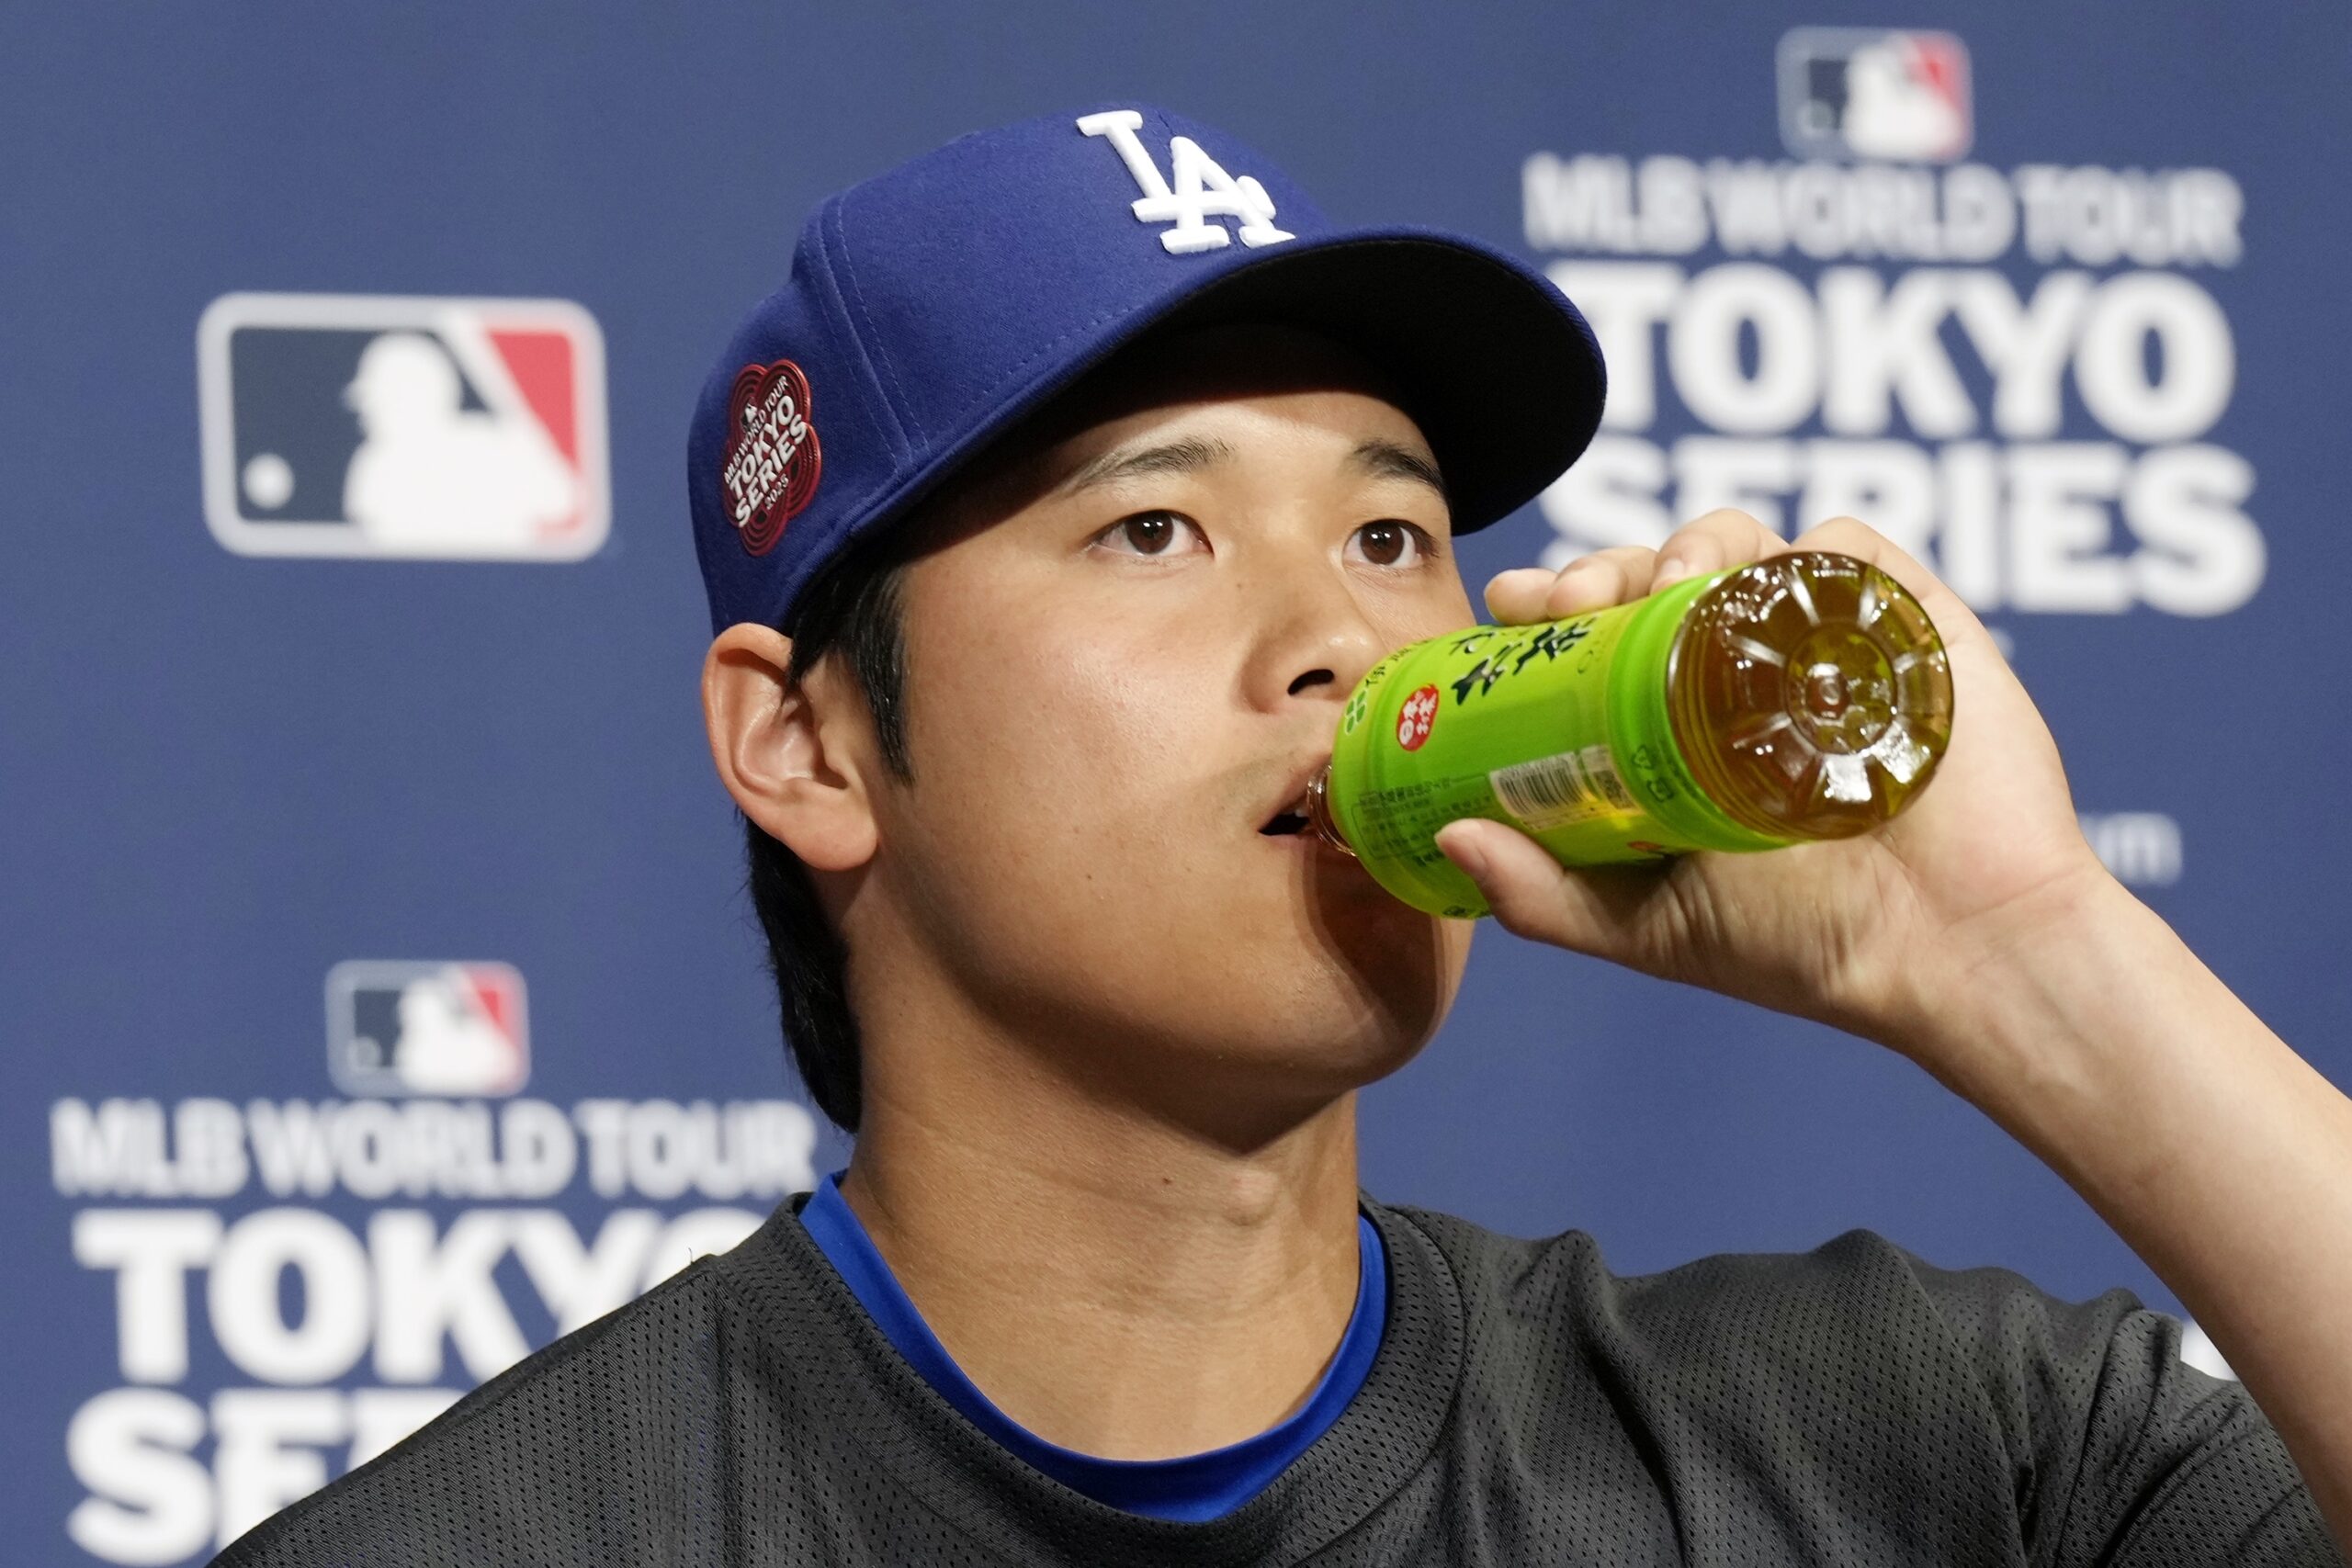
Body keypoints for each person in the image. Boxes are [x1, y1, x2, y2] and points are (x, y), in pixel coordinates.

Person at [215, 104, 2350, 1566]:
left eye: (1396, 525)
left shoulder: (1908, 1448)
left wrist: (2020, 944)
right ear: (809, 743)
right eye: (1152, 523)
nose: (1340, 630)